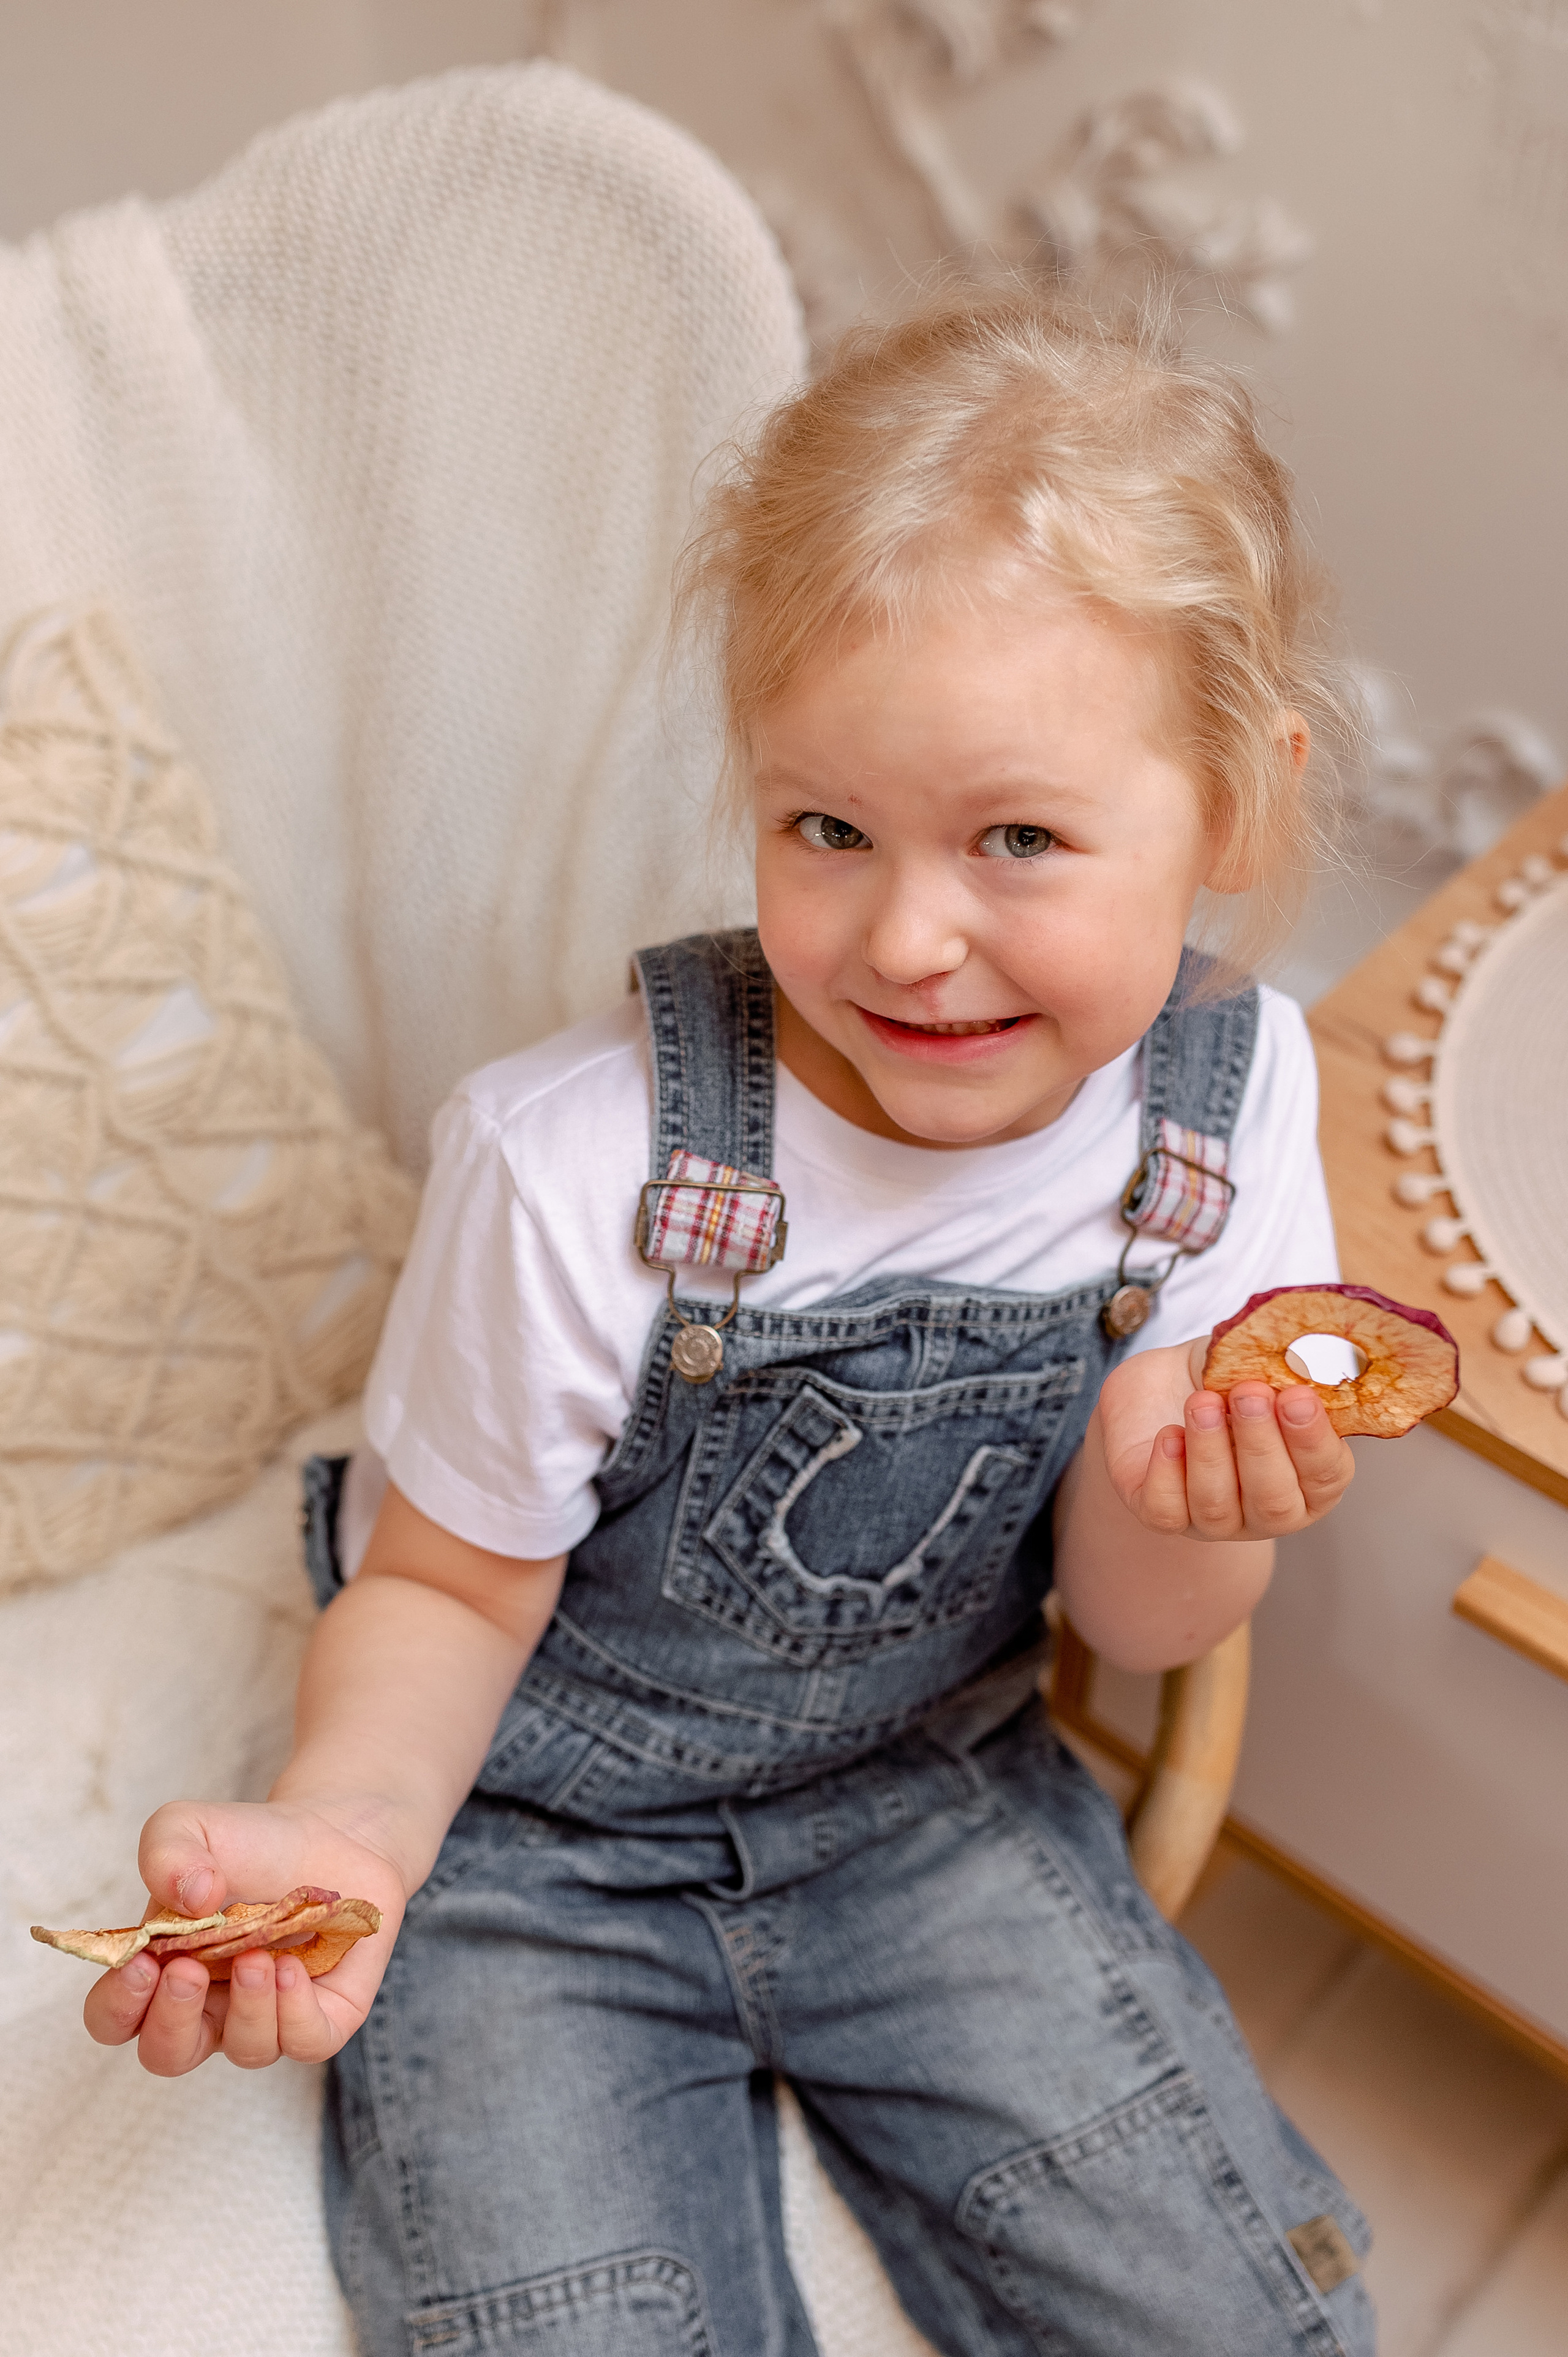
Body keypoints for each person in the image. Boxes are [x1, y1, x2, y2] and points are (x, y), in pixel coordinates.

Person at [85, 289, 1376, 2356]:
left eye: (1019, 839)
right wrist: (357, 1819)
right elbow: (440, 1590)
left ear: (1229, 805)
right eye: (826, 829)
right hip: (533, 1852)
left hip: (924, 1792)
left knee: (1238, 2317)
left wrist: (1208, 1499)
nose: (906, 936)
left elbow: (1135, 1628)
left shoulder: (1229, 1109)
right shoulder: (574, 1159)